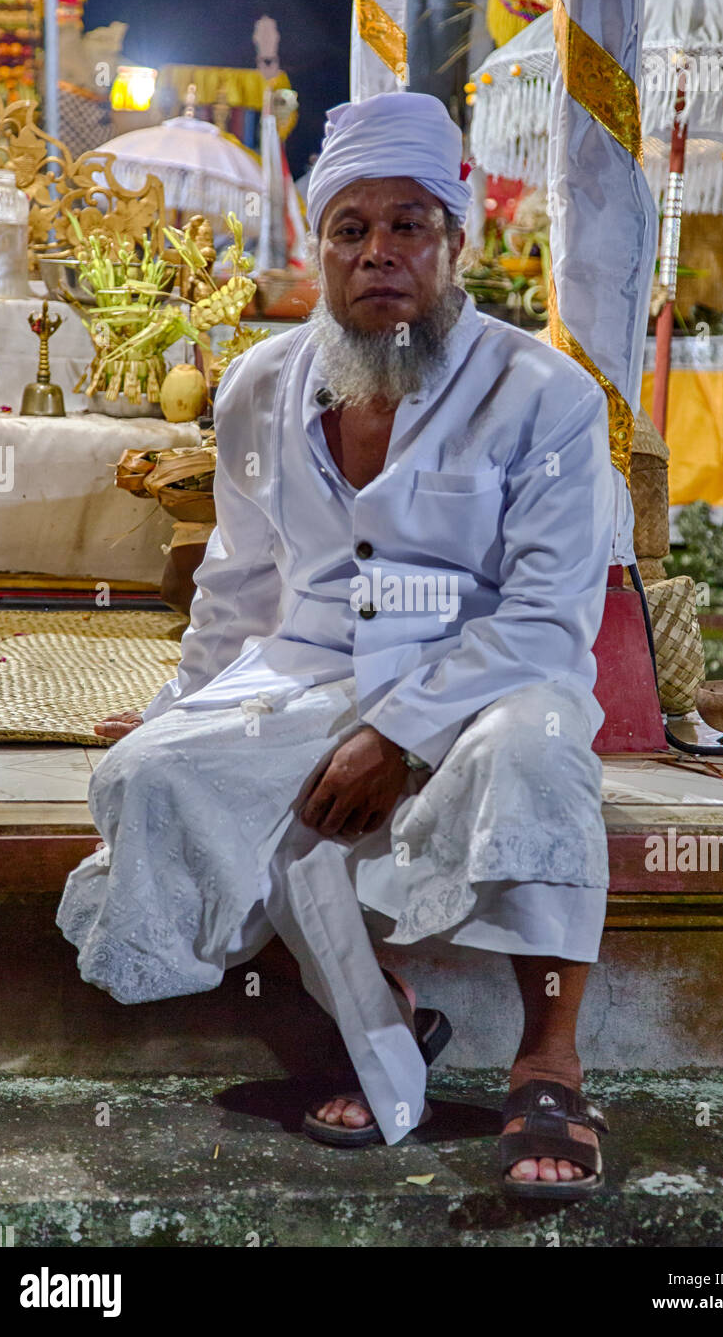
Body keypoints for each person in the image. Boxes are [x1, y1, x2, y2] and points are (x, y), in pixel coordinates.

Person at [58, 91, 613, 1199]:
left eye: (408, 224)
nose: (378, 254)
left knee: (539, 750)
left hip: (494, 672)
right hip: (312, 668)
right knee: (153, 776)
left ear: (458, 241)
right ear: (317, 247)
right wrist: (187, 707)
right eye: (349, 229)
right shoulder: (263, 384)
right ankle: (384, 1002)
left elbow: (551, 612)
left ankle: (549, 1062)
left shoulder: (542, 392)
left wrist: (398, 735)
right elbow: (239, 581)